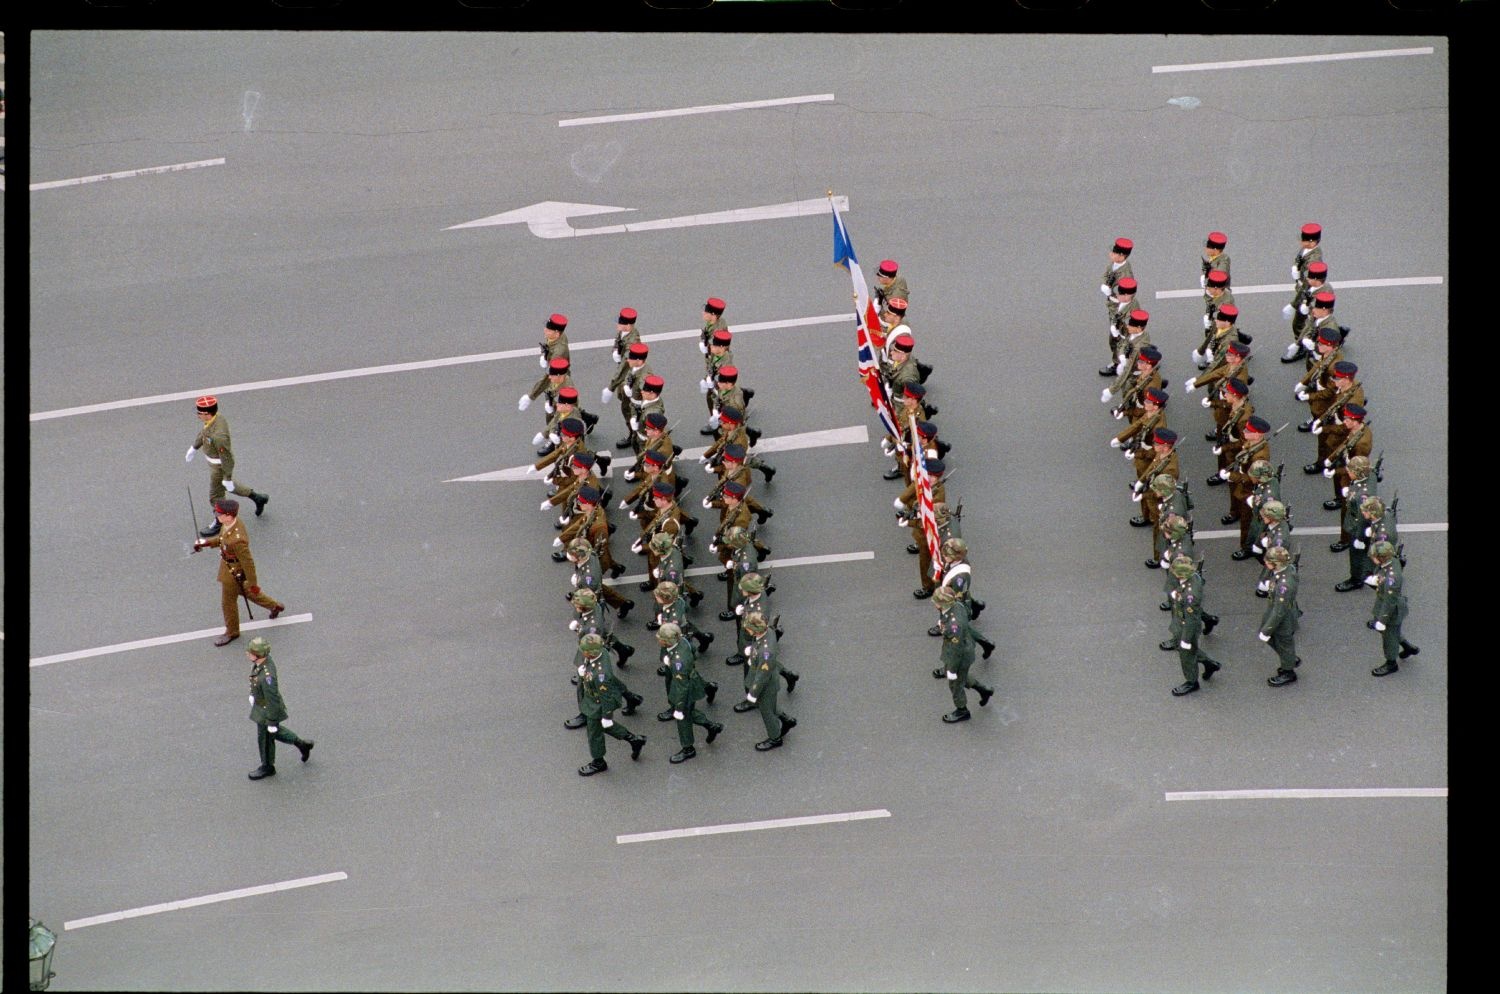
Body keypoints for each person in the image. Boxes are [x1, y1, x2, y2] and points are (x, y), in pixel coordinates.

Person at [192, 499, 285, 646]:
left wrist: (254, 583)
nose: (217, 516)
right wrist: (207, 543)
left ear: (229, 516)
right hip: (229, 567)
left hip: (233, 573)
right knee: (247, 592)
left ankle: (232, 632)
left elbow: (248, 562)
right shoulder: (230, 524)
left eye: (219, 513)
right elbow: (222, 540)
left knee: (228, 603)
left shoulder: (237, 540)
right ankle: (274, 605)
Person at [187, 395, 269, 537]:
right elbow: (204, 433)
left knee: (215, 496)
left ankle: (219, 521)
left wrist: (227, 476)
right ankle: (257, 497)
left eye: (199, 413)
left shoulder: (219, 435)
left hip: (218, 468)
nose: (197, 415)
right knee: (228, 486)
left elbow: (227, 458)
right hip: (214, 464)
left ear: (207, 414)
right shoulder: (215, 419)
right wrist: (194, 447)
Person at [575, 633, 647, 776]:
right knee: (601, 726)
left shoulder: (601, 676)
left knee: (594, 733)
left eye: (585, 651)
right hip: (593, 700)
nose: (582, 653)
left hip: (596, 705)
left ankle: (599, 761)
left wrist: (607, 716)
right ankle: (634, 740)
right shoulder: (601, 653)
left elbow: (606, 697)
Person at [245, 635, 314, 780]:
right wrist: (253, 694)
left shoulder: (267, 676)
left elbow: (272, 699)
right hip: (261, 705)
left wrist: (271, 720)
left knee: (264, 738)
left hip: (266, 709)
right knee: (273, 732)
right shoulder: (263, 663)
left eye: (250, 652)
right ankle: (301, 744)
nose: (248, 654)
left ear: (258, 655)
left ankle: (268, 766)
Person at [658, 623, 724, 763]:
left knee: (683, 719)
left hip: (684, 689)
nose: (659, 640)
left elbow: (682, 687)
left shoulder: (678, 662)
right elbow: (693, 651)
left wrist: (679, 707)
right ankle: (711, 726)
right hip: (691, 680)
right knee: (690, 713)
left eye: (661, 638)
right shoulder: (682, 641)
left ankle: (688, 748)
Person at [931, 586, 994, 723]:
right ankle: (983, 690)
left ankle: (962, 710)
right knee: (962, 676)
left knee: (955, 684)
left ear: (943, 604)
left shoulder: (954, 626)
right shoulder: (956, 605)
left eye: (936, 602)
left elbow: (955, 650)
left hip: (960, 654)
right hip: (963, 646)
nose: (934, 604)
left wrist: (951, 670)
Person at [1165, 556, 1222, 697]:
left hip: (1186, 627)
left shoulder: (1190, 595)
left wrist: (1186, 638)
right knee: (1191, 650)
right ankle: (1209, 664)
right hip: (1182, 621)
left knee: (1186, 655)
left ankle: (1191, 681)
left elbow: (1191, 619)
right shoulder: (1192, 578)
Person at [740, 612, 797, 751]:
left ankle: (775, 737)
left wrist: (753, 693)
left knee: (767, 712)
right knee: (769, 706)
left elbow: (762, 676)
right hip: (767, 680)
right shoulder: (768, 633)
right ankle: (785, 719)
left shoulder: (766, 653)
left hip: (765, 685)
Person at [1366, 541, 1420, 676]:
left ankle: (1391, 663)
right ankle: (1407, 647)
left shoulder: (1392, 578)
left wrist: (1381, 621)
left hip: (1391, 610)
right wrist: (1376, 579)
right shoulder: (1391, 561)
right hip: (1384, 602)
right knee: (1391, 632)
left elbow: (1389, 602)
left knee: (1389, 636)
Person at [1258, 547, 1302, 687]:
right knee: (1279, 643)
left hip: (1282, 618)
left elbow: (1279, 611)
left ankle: (1288, 671)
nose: (1266, 563)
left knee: (1283, 642)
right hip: (1275, 611)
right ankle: (1288, 657)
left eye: (1269, 562)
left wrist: (1267, 630)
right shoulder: (1284, 571)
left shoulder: (1284, 585)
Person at [1281, 223, 1324, 362]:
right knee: (1315, 320)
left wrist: (1293, 304)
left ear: (1312, 242)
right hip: (1303, 288)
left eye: (1304, 240)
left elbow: (1309, 283)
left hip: (1310, 293)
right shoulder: (1306, 250)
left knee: (1300, 322)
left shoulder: (1314, 259)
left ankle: (1301, 346)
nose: (1301, 242)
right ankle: (1329, 333)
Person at [519, 314, 571, 416]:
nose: (544, 330)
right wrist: (545, 356)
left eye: (548, 330)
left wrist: (531, 396)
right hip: (556, 373)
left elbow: (548, 378)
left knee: (556, 408)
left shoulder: (559, 352)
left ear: (556, 333)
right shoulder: (557, 336)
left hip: (559, 379)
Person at [1102, 277, 1141, 376]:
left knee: (1126, 352)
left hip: (1125, 335)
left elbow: (1131, 327)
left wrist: (1119, 331)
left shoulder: (1133, 309)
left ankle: (1133, 368)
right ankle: (1117, 362)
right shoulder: (1122, 302)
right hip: (1117, 331)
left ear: (1127, 296)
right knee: (1114, 344)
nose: (1117, 296)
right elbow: (1112, 307)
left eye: (1120, 294)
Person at [1100, 237, 1135, 324]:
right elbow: (1105, 274)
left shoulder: (1125, 275)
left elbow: (1126, 298)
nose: (1110, 254)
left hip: (1118, 308)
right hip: (1111, 305)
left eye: (1114, 253)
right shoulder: (1113, 264)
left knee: (1117, 331)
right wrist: (1105, 284)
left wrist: (1110, 293)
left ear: (1122, 255)